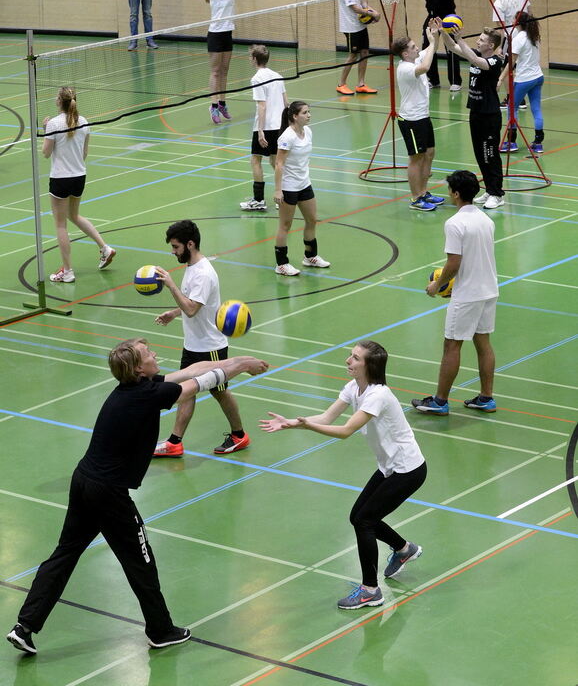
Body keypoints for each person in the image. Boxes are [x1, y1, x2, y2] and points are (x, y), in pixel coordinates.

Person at [6, 338, 268, 655]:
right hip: (108, 493)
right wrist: (240, 366)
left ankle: (25, 626)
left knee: (65, 553)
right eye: (148, 354)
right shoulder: (147, 395)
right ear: (138, 368)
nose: (155, 354)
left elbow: (193, 369)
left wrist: (239, 359)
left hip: (84, 481)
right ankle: (160, 630)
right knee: (140, 561)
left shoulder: (138, 386)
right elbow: (200, 383)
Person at [260, 340, 426, 609]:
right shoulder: (354, 388)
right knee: (359, 517)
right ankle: (404, 549)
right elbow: (327, 418)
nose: (348, 361)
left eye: (355, 358)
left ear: (369, 366)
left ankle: (371, 590)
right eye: (350, 356)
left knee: (364, 520)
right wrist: (292, 423)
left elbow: (345, 430)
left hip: (408, 470)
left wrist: (308, 427)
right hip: (389, 467)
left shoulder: (378, 395)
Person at [152, 220, 251, 457]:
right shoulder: (192, 267)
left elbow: (192, 309)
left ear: (190, 244)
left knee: (219, 391)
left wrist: (170, 285)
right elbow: (192, 302)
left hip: (210, 347)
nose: (173, 252)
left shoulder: (204, 273)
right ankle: (175, 441)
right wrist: (173, 313)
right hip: (193, 343)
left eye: (176, 247)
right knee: (186, 389)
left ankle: (239, 435)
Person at [411, 170, 498, 416]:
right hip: (489, 290)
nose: (448, 193)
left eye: (449, 189)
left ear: (456, 193)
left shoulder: (455, 223)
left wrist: (436, 286)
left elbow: (453, 263)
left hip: (467, 294)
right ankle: (486, 397)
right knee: (484, 344)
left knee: (452, 345)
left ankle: (439, 401)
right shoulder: (486, 220)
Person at [43, 87, 116, 283]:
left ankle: (67, 271)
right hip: (79, 177)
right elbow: (84, 153)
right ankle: (104, 248)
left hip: (60, 179)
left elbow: (46, 153)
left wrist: (45, 129)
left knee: (60, 225)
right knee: (73, 215)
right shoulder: (83, 122)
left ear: (59, 101)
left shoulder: (53, 124)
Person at [441, 26, 505, 209]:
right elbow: (453, 47)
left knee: (490, 155)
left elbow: (477, 61)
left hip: (489, 115)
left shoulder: (495, 61)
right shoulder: (475, 53)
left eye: (482, 40)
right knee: (480, 154)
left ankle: (497, 194)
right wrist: (443, 32)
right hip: (475, 112)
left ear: (491, 45)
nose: (478, 41)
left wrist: (461, 39)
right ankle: (489, 190)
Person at [391, 21, 445, 212]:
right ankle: (415, 198)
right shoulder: (405, 68)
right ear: (405, 53)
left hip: (423, 116)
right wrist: (430, 42)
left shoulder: (414, 59)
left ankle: (423, 192)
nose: (417, 49)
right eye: (414, 47)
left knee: (429, 154)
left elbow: (430, 51)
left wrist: (434, 36)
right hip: (411, 119)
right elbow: (426, 66)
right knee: (416, 158)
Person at [273, 101, 331, 276]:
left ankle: (310, 256)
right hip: (289, 187)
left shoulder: (308, 132)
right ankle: (281, 264)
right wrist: (278, 189)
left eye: (309, 112)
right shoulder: (286, 137)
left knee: (312, 219)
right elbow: (279, 163)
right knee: (285, 225)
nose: (309, 115)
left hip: (304, 184)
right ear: (294, 116)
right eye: (305, 113)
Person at [240, 44, 289, 211]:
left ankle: (259, 200)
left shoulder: (257, 78)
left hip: (266, 126)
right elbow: (286, 103)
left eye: (250, 57)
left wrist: (260, 131)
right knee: (276, 161)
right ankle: (285, 195)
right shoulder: (278, 76)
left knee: (255, 160)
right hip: (280, 126)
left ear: (254, 59)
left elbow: (262, 105)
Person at [408, 0, 462, 91]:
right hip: (432, 17)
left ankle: (455, 81)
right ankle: (434, 80)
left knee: (452, 49)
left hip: (448, 17)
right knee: (428, 48)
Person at [204, 0, 244, 124]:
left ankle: (222, 103)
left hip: (227, 33)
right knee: (215, 71)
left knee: (225, 71)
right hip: (215, 35)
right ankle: (212, 106)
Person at [498, 12, 544, 156]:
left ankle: (511, 142)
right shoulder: (534, 35)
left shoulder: (519, 38)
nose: (512, 21)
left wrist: (500, 78)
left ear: (518, 23)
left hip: (524, 79)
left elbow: (510, 63)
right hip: (538, 77)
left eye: (513, 19)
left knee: (512, 108)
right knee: (536, 109)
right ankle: (538, 143)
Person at [336, 0, 380, 96]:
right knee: (353, 56)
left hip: (360, 26)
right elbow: (355, 8)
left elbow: (362, 3)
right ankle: (341, 84)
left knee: (365, 53)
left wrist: (373, 13)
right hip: (350, 28)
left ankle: (361, 84)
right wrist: (370, 13)